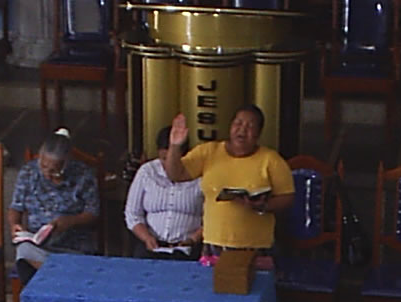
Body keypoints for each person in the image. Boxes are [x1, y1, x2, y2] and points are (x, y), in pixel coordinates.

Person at [155, 106, 295, 254]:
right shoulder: (209, 152)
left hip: (255, 247)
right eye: (238, 123)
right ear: (230, 126)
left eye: (250, 126)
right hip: (214, 245)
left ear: (258, 133)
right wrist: (175, 146)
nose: (242, 130)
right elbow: (175, 175)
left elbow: (287, 197)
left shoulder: (271, 159)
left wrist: (262, 205)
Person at [9, 129, 100, 282]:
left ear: (67, 163)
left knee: (69, 266)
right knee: (24, 252)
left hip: (74, 246)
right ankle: (56, 276)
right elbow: (15, 208)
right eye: (43, 166)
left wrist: (69, 221)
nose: (47, 174)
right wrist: (15, 224)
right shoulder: (28, 173)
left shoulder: (84, 176)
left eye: (54, 171)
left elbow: (93, 213)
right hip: (38, 245)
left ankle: (53, 279)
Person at [123, 151, 204, 260]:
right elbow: (132, 213)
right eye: (165, 159)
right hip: (151, 246)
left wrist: (193, 239)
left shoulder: (200, 174)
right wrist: (146, 237)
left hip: (188, 248)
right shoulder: (147, 171)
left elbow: (213, 217)